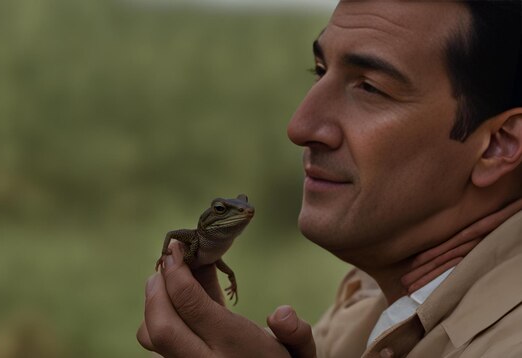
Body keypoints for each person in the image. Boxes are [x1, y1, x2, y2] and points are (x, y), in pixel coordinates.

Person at [137, 0, 522, 357]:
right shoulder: (369, 299)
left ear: (498, 145)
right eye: (320, 71)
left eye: (370, 87)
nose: (299, 126)